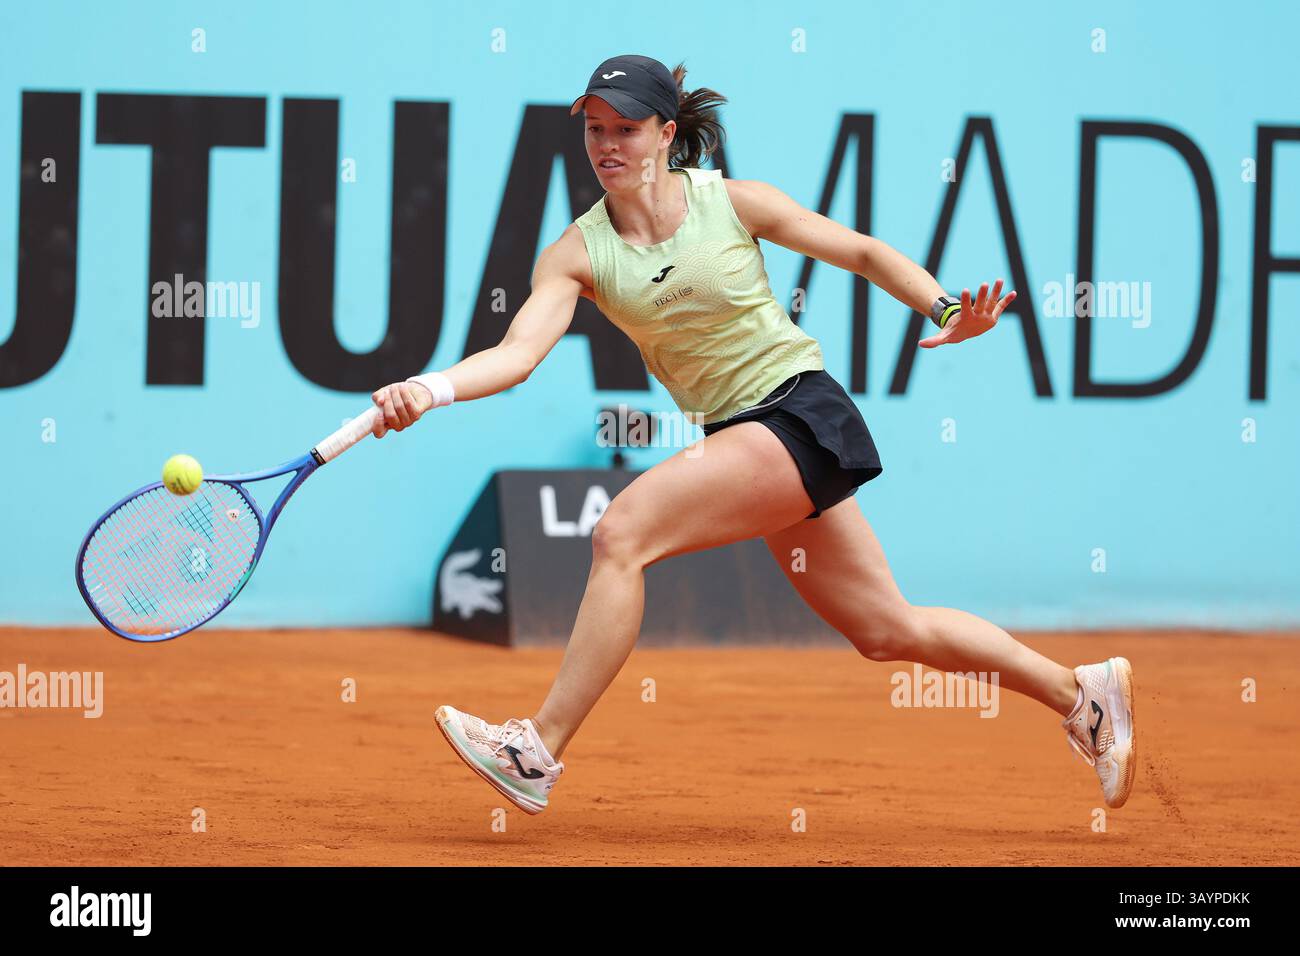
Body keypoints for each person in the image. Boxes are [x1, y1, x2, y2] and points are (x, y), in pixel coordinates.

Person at [368, 54, 1135, 816]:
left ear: (667, 133)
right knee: (885, 629)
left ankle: (536, 750)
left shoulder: (732, 203)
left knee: (622, 534)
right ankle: (1084, 696)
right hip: (746, 434)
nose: (608, 145)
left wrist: (942, 311)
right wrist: (428, 390)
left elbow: (861, 252)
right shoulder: (578, 254)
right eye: (596, 130)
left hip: (798, 412)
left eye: (627, 129)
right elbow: (517, 355)